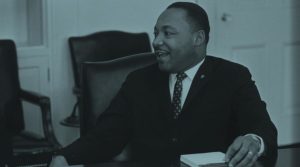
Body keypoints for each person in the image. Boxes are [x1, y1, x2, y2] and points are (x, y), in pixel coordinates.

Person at [50, 2, 277, 167]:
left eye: (168, 34)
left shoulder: (233, 76)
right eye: (156, 33)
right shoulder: (139, 81)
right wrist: (65, 156)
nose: (156, 42)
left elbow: (262, 127)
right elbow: (106, 136)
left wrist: (254, 141)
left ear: (198, 39)